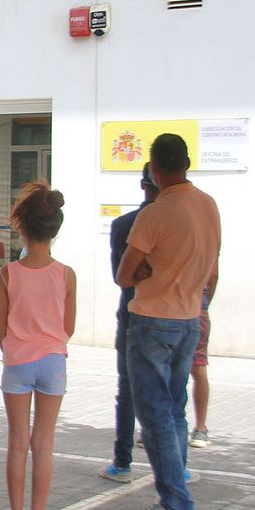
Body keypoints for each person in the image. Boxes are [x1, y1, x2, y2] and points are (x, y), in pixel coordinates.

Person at [116, 134, 220, 510]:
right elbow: (213, 269)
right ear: (187, 163)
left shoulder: (155, 213)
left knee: (155, 412)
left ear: (155, 170)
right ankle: (178, 484)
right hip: (190, 317)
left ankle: (175, 503)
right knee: (175, 407)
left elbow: (125, 274)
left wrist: (147, 270)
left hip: (152, 319)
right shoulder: (208, 206)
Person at [0, 182, 75, 510]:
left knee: (17, 442)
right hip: (53, 361)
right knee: (44, 442)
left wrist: (16, 348)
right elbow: (68, 327)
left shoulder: (8, 274)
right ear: (54, 229)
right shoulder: (66, 274)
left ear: (21, 226)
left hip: (17, 362)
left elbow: (0, 326)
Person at [101, 165, 158, 483]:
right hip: (171, 315)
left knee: (128, 391)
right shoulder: (182, 221)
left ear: (143, 184)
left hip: (133, 313)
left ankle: (122, 461)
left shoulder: (125, 224)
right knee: (169, 391)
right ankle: (177, 463)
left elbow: (121, 277)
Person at [188, 278, 217, 448]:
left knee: (197, 367)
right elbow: (213, 277)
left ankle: (200, 427)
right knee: (197, 367)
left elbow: (213, 277)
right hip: (194, 303)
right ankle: (200, 429)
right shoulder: (207, 249)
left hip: (186, 304)